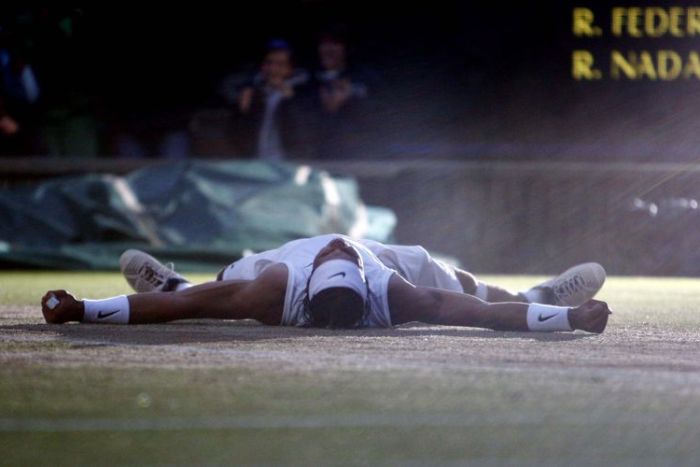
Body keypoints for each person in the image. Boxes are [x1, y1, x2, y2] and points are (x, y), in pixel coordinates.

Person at [41, 234, 611, 333]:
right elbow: (479, 315)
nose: (338, 243)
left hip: (278, 266)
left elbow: (186, 311)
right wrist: (567, 320)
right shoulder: (392, 292)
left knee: (210, 289)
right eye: (341, 253)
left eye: (335, 253)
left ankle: (169, 281)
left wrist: (83, 310)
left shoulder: (276, 285)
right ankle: (539, 297)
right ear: (363, 281)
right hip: (387, 264)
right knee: (459, 284)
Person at [232, 39, 314, 160]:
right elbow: (237, 134)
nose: (273, 69)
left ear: (291, 68)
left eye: (280, 64)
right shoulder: (253, 92)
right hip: (257, 164)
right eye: (268, 63)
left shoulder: (304, 92)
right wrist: (242, 111)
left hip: (291, 166)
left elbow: (305, 133)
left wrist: (290, 99)